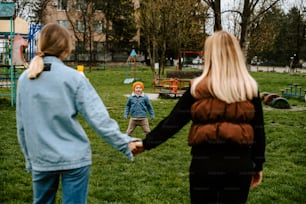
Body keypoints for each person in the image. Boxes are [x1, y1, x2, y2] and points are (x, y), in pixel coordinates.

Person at [134, 31, 266, 203]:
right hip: (238, 166)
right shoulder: (249, 89)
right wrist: (258, 165)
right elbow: (259, 131)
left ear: (210, 55)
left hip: (204, 165)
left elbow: (173, 122)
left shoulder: (197, 88)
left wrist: (146, 144)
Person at [16, 23, 140, 204]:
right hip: (75, 159)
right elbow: (99, 119)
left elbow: (22, 127)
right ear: (66, 49)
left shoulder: (25, 80)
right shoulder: (74, 78)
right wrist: (124, 143)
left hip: (41, 159)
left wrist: (30, 160)